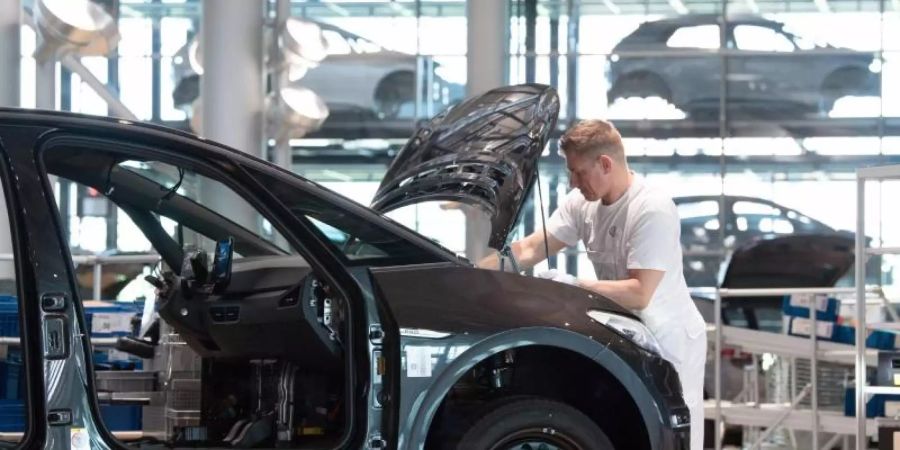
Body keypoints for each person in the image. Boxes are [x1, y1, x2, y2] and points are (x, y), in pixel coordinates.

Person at [478, 119, 706, 450]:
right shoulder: (582, 203)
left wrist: (571, 286)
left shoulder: (651, 208)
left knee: (673, 439)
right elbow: (529, 249)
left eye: (578, 172)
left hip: (669, 340)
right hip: (629, 333)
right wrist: (473, 271)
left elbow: (640, 292)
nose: (573, 181)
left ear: (605, 164)